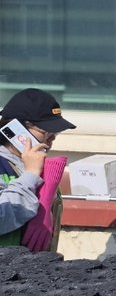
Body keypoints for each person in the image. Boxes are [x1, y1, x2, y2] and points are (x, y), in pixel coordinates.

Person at [0, 88, 75, 249]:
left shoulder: (37, 166)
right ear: (15, 129)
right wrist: (31, 175)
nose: (52, 139)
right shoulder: (9, 166)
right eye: (46, 132)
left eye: (56, 133)